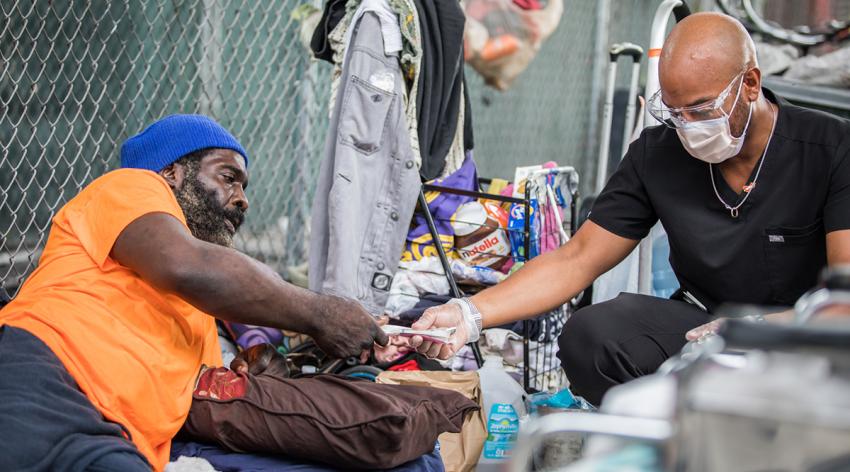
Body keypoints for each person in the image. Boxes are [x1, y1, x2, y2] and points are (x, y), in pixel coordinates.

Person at [409, 12, 850, 405]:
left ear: (750, 84)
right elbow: (577, 259)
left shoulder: (830, 148)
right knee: (592, 336)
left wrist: (758, 328)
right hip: (702, 328)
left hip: (805, 339)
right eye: (675, 113)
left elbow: (843, 301)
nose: (689, 128)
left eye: (701, 110)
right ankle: (667, 443)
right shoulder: (658, 154)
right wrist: (470, 314)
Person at [0, 114, 387, 471]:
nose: (242, 199)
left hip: (118, 435)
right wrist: (319, 314)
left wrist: (246, 368)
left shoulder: (201, 306)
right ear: (171, 172)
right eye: (228, 177)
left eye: (244, 186)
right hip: (45, 377)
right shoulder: (129, 187)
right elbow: (186, 265)